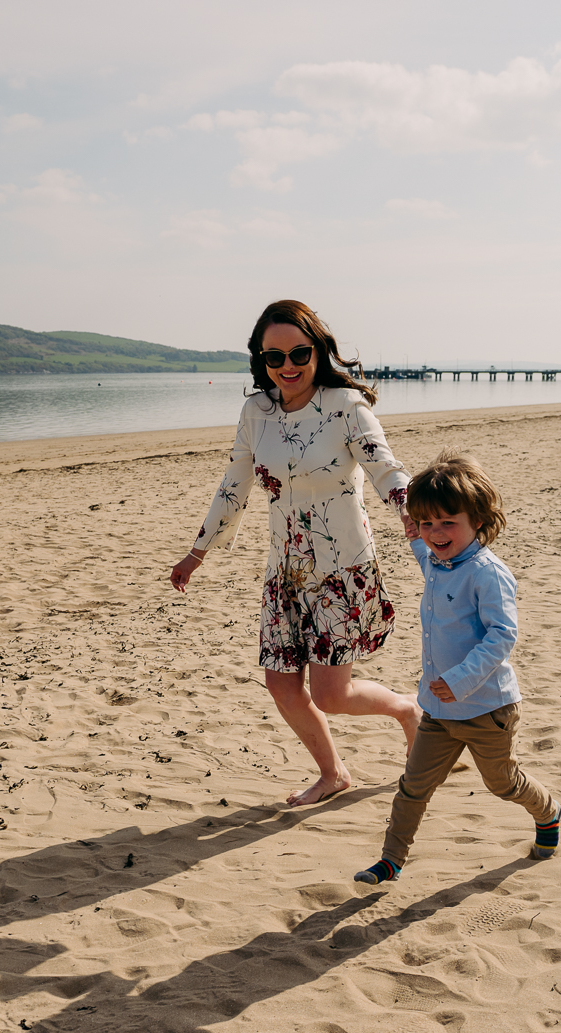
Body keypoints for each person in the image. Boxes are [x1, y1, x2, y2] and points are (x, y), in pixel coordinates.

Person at [170, 300, 420, 807]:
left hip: (341, 569)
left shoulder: (345, 407)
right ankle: (333, 773)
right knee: (282, 687)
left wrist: (413, 513)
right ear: (259, 361)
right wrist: (198, 551)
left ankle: (409, 711)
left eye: (299, 353)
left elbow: (385, 468)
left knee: (331, 695)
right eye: (274, 357)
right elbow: (234, 484)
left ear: (318, 351)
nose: (287, 366)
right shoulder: (256, 413)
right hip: (284, 573)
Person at [354, 454, 559, 884]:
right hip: (438, 712)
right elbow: (423, 549)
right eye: (427, 524)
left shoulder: (488, 573)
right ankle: (391, 860)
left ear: (478, 520)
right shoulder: (435, 561)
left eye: (448, 523)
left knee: (502, 784)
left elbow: (502, 635)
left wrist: (461, 679)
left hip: (487, 710)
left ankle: (549, 812)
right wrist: (414, 529)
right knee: (413, 786)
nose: (435, 534)